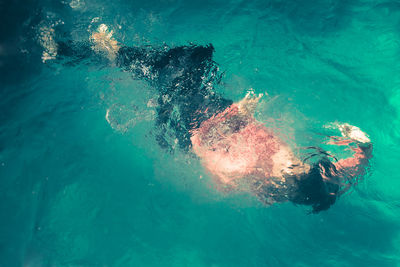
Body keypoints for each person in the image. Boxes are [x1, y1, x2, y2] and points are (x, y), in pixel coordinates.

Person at [45, 24, 373, 213]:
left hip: (190, 114)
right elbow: (349, 167)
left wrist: (236, 115)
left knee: (178, 63)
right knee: (196, 57)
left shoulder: (238, 169)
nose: (289, 159)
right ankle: (109, 52)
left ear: (283, 183)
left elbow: (200, 143)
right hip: (214, 103)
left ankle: (70, 51)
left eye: (291, 168)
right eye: (300, 164)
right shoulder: (314, 183)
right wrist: (361, 144)